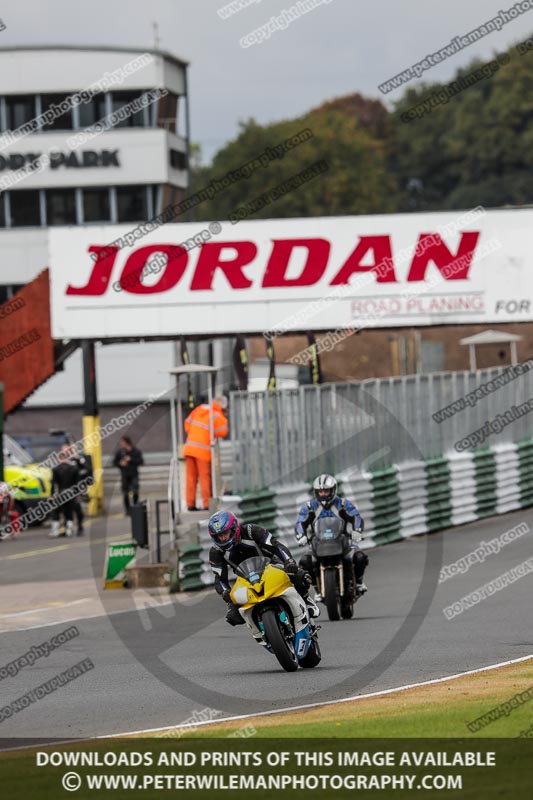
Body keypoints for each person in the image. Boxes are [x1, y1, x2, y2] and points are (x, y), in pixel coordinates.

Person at [208, 510, 319, 626]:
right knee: (232, 616)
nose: (223, 538)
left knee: (299, 576)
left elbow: (276, 545)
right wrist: (225, 592)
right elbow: (219, 578)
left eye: (225, 533)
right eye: (219, 536)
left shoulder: (251, 531)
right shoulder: (216, 551)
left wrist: (289, 561)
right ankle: (258, 630)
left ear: (234, 527)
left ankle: (307, 599)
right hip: (244, 577)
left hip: (271, 565)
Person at [295, 473, 368, 598]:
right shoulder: (309, 507)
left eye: (326, 491)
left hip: (341, 540)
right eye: (320, 491)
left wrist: (357, 531)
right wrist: (301, 536)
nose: (323, 494)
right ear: (316, 492)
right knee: (304, 562)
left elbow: (356, 517)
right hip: (319, 542)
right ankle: (318, 589)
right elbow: (300, 522)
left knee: (360, 557)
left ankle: (359, 582)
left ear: (333, 490)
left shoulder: (344, 504)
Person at [183, 396, 229, 511]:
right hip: (203, 451)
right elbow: (223, 431)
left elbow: (187, 424)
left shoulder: (199, 410)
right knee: (205, 478)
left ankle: (190, 504)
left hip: (189, 448)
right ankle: (206, 504)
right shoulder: (216, 414)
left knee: (191, 478)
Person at [49, 445, 80, 538]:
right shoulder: (74, 469)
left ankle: (55, 530)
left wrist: (51, 495)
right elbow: (77, 484)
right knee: (69, 511)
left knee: (56, 511)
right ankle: (69, 530)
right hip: (70, 493)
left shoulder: (55, 469)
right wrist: (77, 494)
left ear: (59, 458)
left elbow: (54, 484)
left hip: (60, 493)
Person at [113, 436, 144, 514]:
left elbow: (141, 461)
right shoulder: (120, 452)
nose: (121, 444)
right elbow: (114, 462)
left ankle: (135, 507)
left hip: (133, 474)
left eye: (122, 442)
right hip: (125, 475)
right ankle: (128, 510)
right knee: (125, 493)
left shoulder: (135, 451)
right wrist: (120, 464)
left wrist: (131, 460)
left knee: (135, 491)